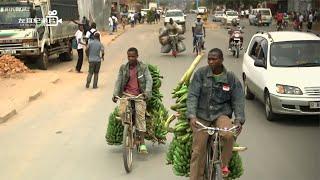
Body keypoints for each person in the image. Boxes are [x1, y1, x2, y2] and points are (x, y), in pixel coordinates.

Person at [187, 48, 245, 180]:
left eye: (214, 59)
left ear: (221, 60)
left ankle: (224, 165)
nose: (211, 61)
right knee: (198, 150)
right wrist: (192, 116)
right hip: (202, 116)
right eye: (209, 59)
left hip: (221, 115)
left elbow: (238, 99)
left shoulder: (230, 78)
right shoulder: (200, 74)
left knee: (229, 135)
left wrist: (239, 120)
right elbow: (193, 96)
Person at [112, 47, 153, 153]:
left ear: (137, 56)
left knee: (140, 116)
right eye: (129, 56)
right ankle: (128, 131)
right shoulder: (123, 68)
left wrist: (147, 93)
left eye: (133, 56)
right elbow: (119, 81)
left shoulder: (143, 67)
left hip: (139, 95)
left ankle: (143, 143)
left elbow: (149, 80)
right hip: (126, 95)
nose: (131, 58)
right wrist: (115, 94)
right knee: (121, 112)